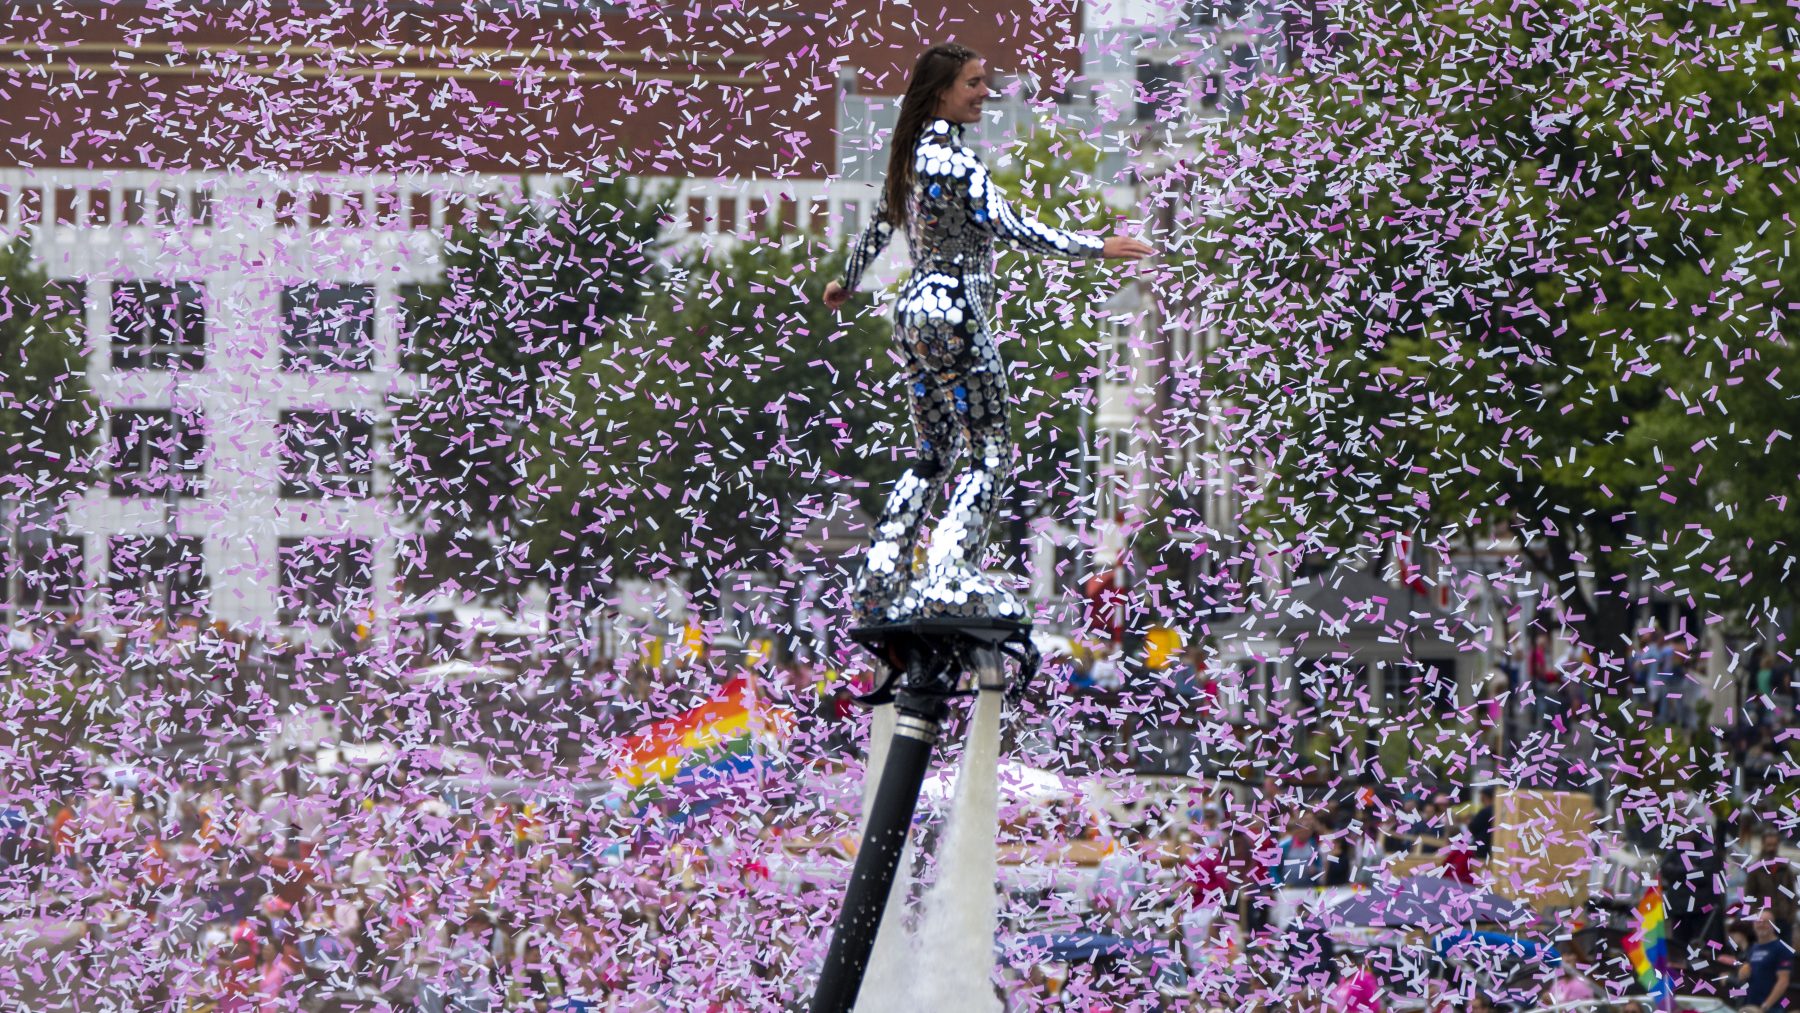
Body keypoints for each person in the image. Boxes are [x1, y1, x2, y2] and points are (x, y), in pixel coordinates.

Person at [823, 41, 1154, 631]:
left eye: (985, 82)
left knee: (933, 456)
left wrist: (846, 282)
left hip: (913, 316)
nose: (984, 93)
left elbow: (878, 224)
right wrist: (1095, 247)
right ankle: (950, 572)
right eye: (973, 83)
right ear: (941, 92)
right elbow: (1006, 224)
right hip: (954, 312)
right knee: (992, 452)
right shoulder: (952, 162)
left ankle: (881, 574)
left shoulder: (909, 157)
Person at [1723, 910, 1793, 1012]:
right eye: (1758, 922)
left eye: (1765, 922)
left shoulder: (1781, 949)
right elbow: (1747, 976)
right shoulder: (1753, 948)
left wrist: (1765, 1006)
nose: (1761, 925)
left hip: (1771, 1008)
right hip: (1751, 1006)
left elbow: (1783, 981)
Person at [1746, 831, 1798, 944]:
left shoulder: (1784, 867)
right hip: (1764, 920)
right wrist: (1757, 915)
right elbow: (1749, 895)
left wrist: (1791, 914)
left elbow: (1791, 892)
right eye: (1769, 845)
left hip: (1783, 918)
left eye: (1774, 845)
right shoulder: (1756, 869)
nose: (1771, 849)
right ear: (1763, 845)